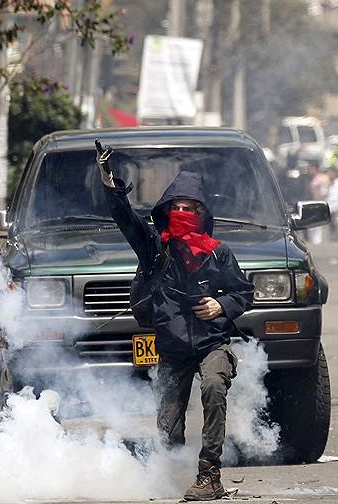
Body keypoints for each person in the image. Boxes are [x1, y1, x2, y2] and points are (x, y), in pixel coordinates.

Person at [96, 143, 254, 501]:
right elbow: (126, 219)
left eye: (191, 208)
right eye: (177, 207)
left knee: (214, 386)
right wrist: (108, 180)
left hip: (213, 344)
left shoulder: (218, 252)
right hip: (171, 350)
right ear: (167, 212)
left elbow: (244, 292)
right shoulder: (155, 248)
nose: (183, 212)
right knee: (168, 426)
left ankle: (210, 476)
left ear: (202, 213)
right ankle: (170, 472)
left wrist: (221, 304)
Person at [307, 163, 331, 245]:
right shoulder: (312, 178)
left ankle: (317, 239)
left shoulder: (322, 178)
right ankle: (313, 239)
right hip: (312, 201)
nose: (310, 170)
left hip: (320, 202)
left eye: (312, 168)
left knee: (318, 221)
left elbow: (324, 191)